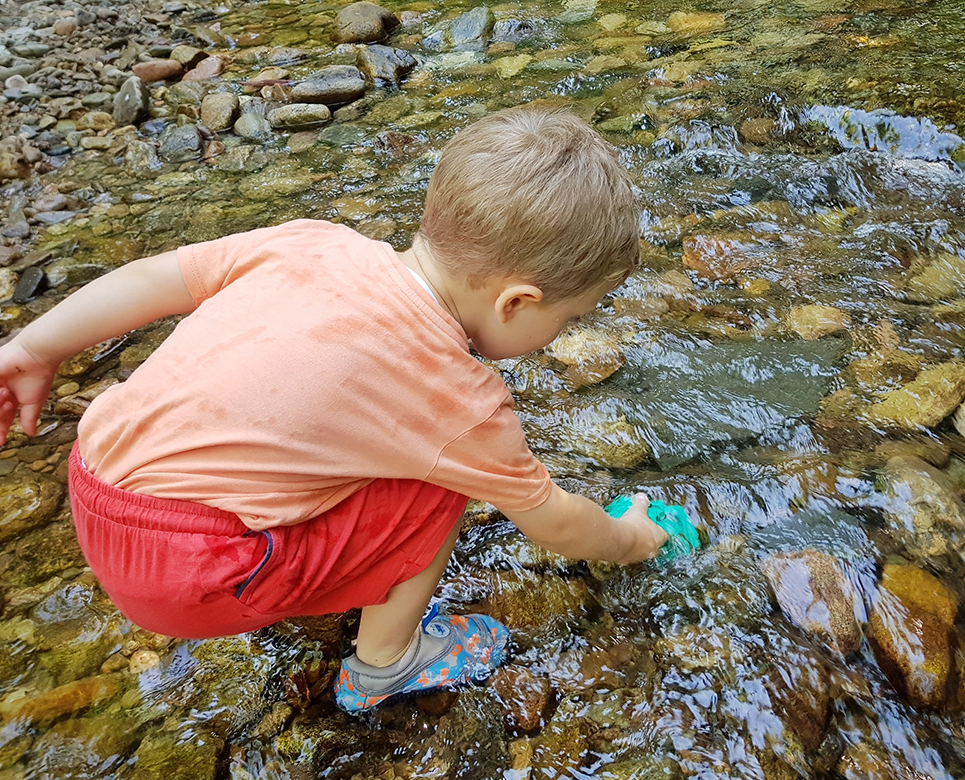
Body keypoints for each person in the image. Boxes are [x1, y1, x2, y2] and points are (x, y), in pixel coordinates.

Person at [0, 106, 668, 713]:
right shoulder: (461, 400)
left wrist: (32, 347)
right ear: (515, 303)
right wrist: (629, 538)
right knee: (441, 480)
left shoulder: (312, 242)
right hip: (185, 575)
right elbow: (556, 524)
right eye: (570, 316)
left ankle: (296, 568)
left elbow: (157, 278)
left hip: (95, 487)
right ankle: (385, 665)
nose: (564, 332)